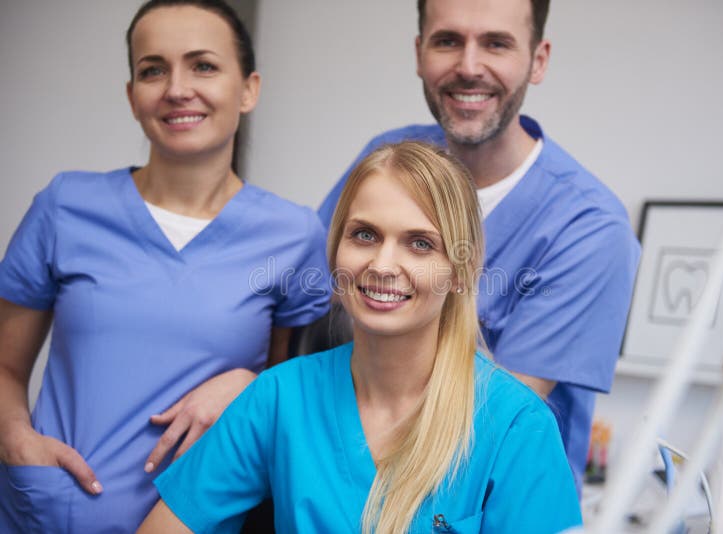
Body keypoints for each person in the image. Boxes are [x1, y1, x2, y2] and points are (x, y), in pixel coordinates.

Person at [0, 1, 330, 531]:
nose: (177, 88)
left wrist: (248, 381)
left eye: (203, 65)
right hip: (47, 516)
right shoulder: (65, 207)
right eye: (153, 69)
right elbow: (6, 367)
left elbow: (301, 385)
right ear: (132, 97)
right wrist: (16, 439)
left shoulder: (293, 235)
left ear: (249, 89)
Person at [138, 141, 581, 533]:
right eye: (364, 235)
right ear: (335, 252)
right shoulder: (279, 399)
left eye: (420, 243)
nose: (383, 265)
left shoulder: (515, 426)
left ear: (461, 270)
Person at [317, 0, 641, 493]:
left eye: (496, 43)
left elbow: (490, 420)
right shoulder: (390, 157)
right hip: (345, 481)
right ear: (419, 51)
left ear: (538, 59)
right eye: (447, 41)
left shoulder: (589, 228)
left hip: (488, 502)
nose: (469, 68)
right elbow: (313, 297)